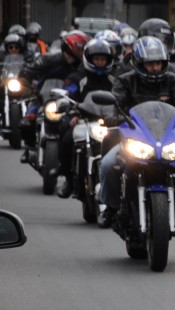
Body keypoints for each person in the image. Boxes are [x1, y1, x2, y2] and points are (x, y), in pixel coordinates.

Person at [97, 36, 175, 231]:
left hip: (165, 139)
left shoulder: (173, 80)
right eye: (150, 64)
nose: (155, 67)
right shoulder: (125, 81)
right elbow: (113, 103)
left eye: (158, 63)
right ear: (139, 63)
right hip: (135, 138)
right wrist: (112, 117)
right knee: (107, 165)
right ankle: (111, 207)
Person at [55, 38, 116, 199]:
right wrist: (72, 111)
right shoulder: (78, 78)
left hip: (110, 122)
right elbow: (69, 95)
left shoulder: (115, 80)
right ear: (89, 59)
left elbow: (122, 99)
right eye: (97, 59)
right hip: (84, 118)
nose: (100, 62)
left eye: (103, 59)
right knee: (67, 137)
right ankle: (68, 178)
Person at [18, 30, 88, 161]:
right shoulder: (50, 59)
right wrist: (24, 79)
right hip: (43, 98)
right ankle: (30, 148)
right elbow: (30, 69)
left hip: (70, 102)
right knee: (25, 123)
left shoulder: (84, 66)